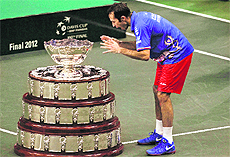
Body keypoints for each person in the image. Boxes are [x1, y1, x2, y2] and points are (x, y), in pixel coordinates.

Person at [100, 3, 194, 156]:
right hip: (166, 54)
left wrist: (120, 50)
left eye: (114, 21)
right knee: (157, 90)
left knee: (163, 95)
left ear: (123, 18)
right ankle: (159, 132)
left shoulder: (141, 24)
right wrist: (120, 43)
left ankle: (168, 142)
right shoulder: (139, 19)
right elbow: (142, 44)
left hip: (177, 54)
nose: (114, 25)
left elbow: (144, 55)